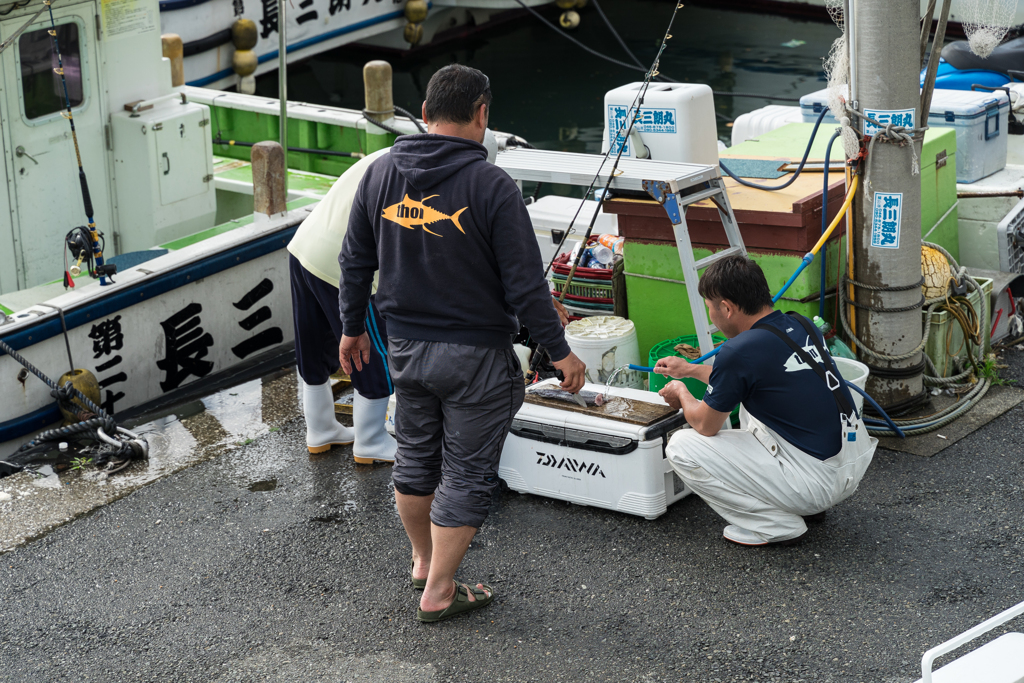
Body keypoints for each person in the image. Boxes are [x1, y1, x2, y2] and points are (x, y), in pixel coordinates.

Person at [337, 64, 586, 622]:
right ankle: (440, 591)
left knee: (417, 455)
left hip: (403, 347)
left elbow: (355, 261)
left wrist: (352, 327)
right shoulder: (492, 185)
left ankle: (423, 561)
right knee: (468, 471)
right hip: (474, 355)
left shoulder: (377, 173)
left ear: (424, 115)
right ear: (482, 114)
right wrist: (560, 350)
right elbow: (524, 286)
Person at [656, 255, 877, 547]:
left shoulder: (738, 351)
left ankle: (775, 525)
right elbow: (745, 377)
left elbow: (704, 425)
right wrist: (689, 370)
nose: (713, 316)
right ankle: (808, 507)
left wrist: (682, 392)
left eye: (711, 309)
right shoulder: (798, 324)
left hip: (816, 482)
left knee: (682, 447)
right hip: (851, 462)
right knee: (751, 400)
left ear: (727, 308)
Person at [287, 147, 397, 463]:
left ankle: (321, 430)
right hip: (343, 262)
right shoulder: (437, 173)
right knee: (369, 351)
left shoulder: (392, 151)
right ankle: (371, 440)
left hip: (305, 245)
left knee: (314, 343)